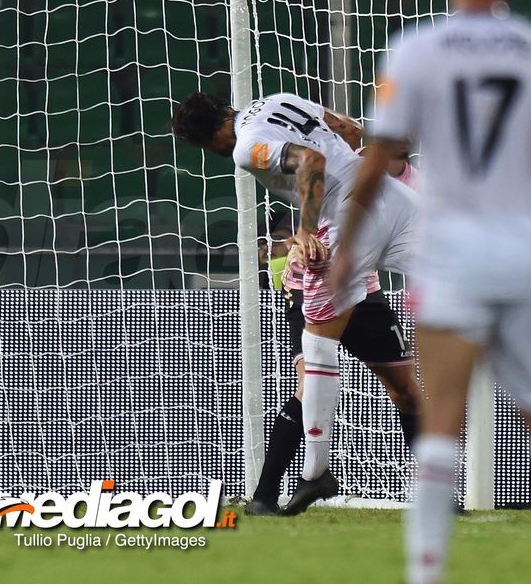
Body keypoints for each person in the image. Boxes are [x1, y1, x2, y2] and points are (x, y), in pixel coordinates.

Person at [332, 0, 531, 584]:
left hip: (450, 251)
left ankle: (426, 581)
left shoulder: (416, 51)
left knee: (444, 415)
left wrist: (346, 248)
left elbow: (377, 162)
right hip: (520, 250)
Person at [172, 90, 419, 516]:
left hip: (341, 233)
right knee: (455, 281)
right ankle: (271, 493)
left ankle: (310, 476)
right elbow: (348, 128)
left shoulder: (246, 148)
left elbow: (310, 161)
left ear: (208, 139)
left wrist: (304, 230)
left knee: (323, 359)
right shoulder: (278, 99)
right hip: (377, 211)